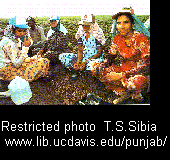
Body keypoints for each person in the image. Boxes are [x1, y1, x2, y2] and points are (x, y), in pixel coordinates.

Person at [91, 10, 150, 104]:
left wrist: (121, 75)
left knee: (134, 83)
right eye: (118, 23)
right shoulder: (118, 38)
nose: (121, 26)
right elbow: (110, 58)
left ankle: (130, 92)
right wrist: (102, 66)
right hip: (124, 68)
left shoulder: (141, 39)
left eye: (126, 22)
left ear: (132, 24)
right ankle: (126, 92)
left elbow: (147, 66)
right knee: (95, 68)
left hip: (139, 73)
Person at [0, 16, 50, 97]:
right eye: (19, 31)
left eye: (24, 31)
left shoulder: (15, 39)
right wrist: (26, 48)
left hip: (13, 64)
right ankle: (12, 87)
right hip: (6, 69)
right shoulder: (8, 42)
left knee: (42, 60)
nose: (22, 33)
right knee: (36, 66)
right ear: (12, 30)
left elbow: (19, 56)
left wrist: (31, 57)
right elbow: (17, 64)